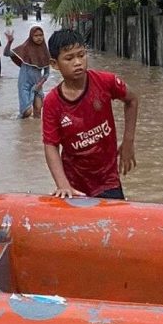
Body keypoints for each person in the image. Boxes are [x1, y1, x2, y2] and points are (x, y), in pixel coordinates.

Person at [42, 29, 138, 199]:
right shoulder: (52, 102)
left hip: (108, 180)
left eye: (81, 55)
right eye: (69, 58)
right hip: (74, 184)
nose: (78, 62)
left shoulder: (105, 82)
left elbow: (132, 100)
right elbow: (51, 145)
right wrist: (63, 184)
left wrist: (128, 141)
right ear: (54, 64)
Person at [4, 26, 50, 118]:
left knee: (38, 110)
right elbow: (6, 53)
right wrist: (9, 42)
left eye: (41, 35)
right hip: (24, 84)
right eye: (36, 35)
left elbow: (47, 73)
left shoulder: (45, 51)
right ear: (31, 36)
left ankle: (35, 132)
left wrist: (40, 84)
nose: (39, 37)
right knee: (27, 112)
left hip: (37, 84)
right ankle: (22, 126)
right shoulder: (25, 48)